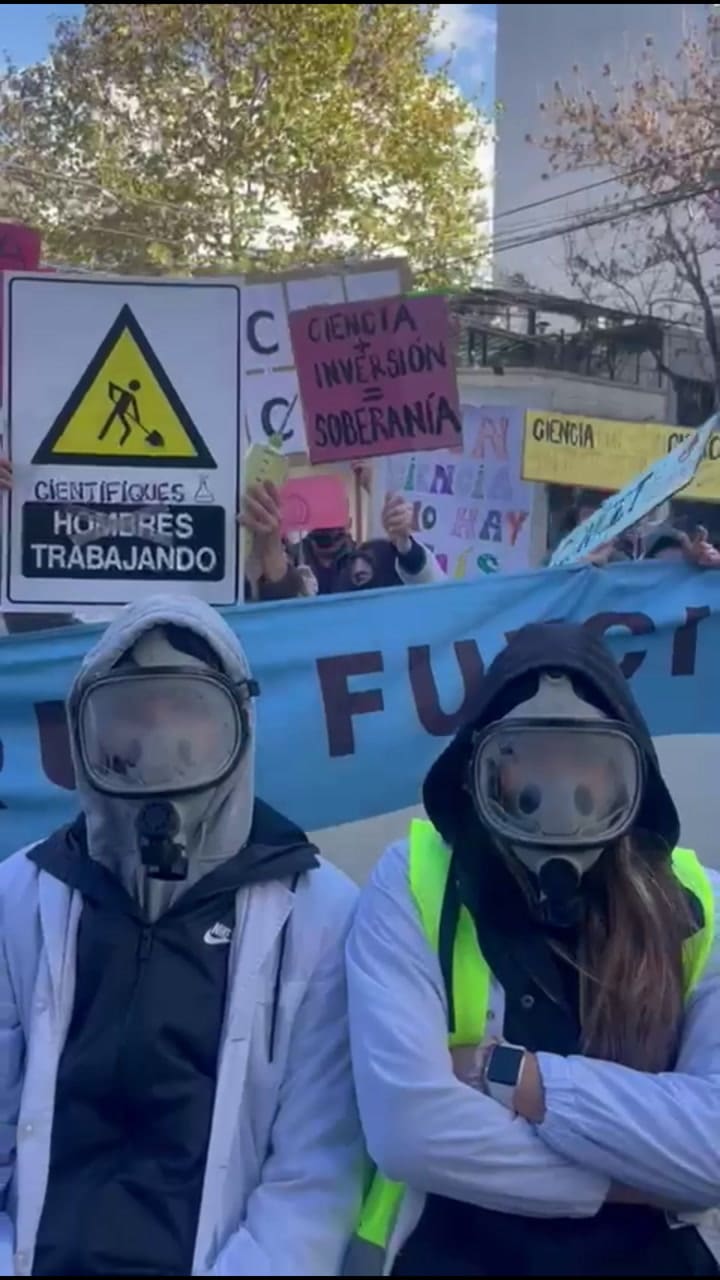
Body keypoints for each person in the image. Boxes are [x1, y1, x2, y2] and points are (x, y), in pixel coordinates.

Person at [0, 594, 362, 1276]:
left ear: (240, 729)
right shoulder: (19, 899)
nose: (159, 754)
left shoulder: (318, 916)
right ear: (86, 735)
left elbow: (314, 1182)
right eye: (131, 726)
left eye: (190, 725)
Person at [345, 622, 720, 1277]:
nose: (559, 794)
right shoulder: (415, 881)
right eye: (528, 761)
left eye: (586, 764)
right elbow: (409, 1129)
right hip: (449, 1249)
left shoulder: (700, 903)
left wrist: (513, 1075)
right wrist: (634, 1180)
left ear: (631, 782)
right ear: (477, 773)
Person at [300, 494, 444, 595]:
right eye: (322, 515)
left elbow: (417, 571)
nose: (328, 526)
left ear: (348, 522)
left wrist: (404, 543)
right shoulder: (293, 561)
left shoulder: (371, 555)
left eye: (333, 516)